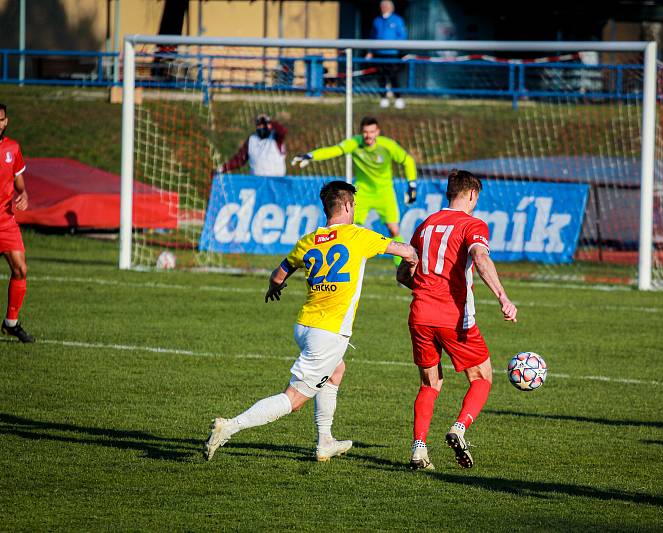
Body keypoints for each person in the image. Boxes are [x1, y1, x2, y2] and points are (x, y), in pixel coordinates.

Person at [204, 180, 418, 462]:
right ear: (347, 205)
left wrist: (274, 288)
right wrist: (413, 266)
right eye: (354, 204)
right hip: (328, 332)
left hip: (304, 324)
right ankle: (229, 427)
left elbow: (278, 274)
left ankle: (325, 441)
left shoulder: (309, 240)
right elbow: (407, 251)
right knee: (293, 400)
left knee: (337, 370)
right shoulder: (358, 236)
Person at [396, 169, 517, 470]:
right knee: (482, 377)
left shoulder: (425, 224)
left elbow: (403, 272)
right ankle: (459, 428)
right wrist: (503, 296)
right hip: (453, 317)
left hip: (419, 314)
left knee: (429, 384)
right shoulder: (472, 224)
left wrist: (425, 288)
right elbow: (480, 257)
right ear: (473, 195)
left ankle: (418, 449)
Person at [291, 116, 417, 266]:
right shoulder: (355, 143)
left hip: (384, 192)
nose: (368, 135)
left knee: (394, 230)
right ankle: (346, 264)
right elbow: (335, 150)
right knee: (350, 229)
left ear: (378, 132)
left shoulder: (387, 145)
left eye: (371, 132)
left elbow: (408, 161)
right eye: (365, 132)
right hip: (361, 191)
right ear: (361, 132)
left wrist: (412, 185)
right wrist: (312, 155)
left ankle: (401, 269)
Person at [0, 103, 34, 343]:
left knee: (21, 269)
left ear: (6, 121)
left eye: (0, 119)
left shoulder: (13, 148)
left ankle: (11, 322)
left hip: (6, 220)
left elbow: (19, 180)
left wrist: (23, 195)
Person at [366, 0, 408, 109]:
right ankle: (383, 98)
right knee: (381, 77)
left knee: (393, 76)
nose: (384, 7)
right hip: (379, 54)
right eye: (382, 6)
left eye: (386, 6)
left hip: (392, 54)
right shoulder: (377, 21)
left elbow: (402, 36)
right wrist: (370, 51)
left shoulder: (397, 20)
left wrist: (400, 51)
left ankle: (398, 98)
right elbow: (372, 37)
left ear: (391, 7)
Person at [216, 114, 287, 177]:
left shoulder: (276, 138)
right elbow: (239, 159)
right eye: (259, 125)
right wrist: (223, 168)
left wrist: (270, 121)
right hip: (257, 183)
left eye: (263, 124)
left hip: (276, 183)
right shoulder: (252, 140)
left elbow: (283, 131)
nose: (261, 127)